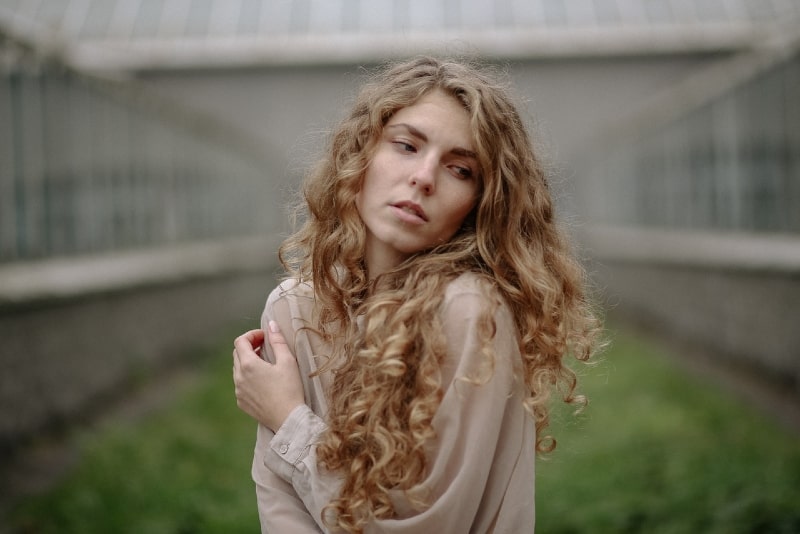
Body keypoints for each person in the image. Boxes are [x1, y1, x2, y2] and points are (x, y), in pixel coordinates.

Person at [232, 56, 601, 533]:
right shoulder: (295, 307)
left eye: (460, 170)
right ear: (362, 153)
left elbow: (431, 527)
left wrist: (288, 419)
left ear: (481, 204)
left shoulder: (470, 312)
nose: (424, 177)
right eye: (406, 145)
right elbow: (279, 506)